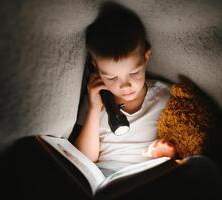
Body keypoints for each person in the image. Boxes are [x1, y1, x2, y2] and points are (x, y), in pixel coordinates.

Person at [74, 3, 176, 175]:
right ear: (96, 69)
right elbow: (84, 160)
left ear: (146, 56)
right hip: (106, 176)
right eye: (112, 77)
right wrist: (93, 109)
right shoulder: (95, 101)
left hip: (150, 175)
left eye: (134, 72)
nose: (125, 85)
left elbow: (185, 140)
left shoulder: (165, 96)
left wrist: (167, 155)